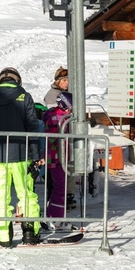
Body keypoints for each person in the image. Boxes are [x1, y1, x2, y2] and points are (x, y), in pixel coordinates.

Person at [0, 67, 43, 247]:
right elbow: (32, 127)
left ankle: (4, 237)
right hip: (22, 154)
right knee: (27, 194)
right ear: (17, 80)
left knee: (0, 197)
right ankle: (30, 232)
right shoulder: (25, 97)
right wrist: (36, 156)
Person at [43, 91, 73, 224]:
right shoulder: (58, 117)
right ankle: (55, 217)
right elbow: (55, 138)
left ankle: (55, 216)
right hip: (56, 157)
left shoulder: (61, 116)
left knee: (60, 187)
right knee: (60, 187)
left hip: (58, 156)